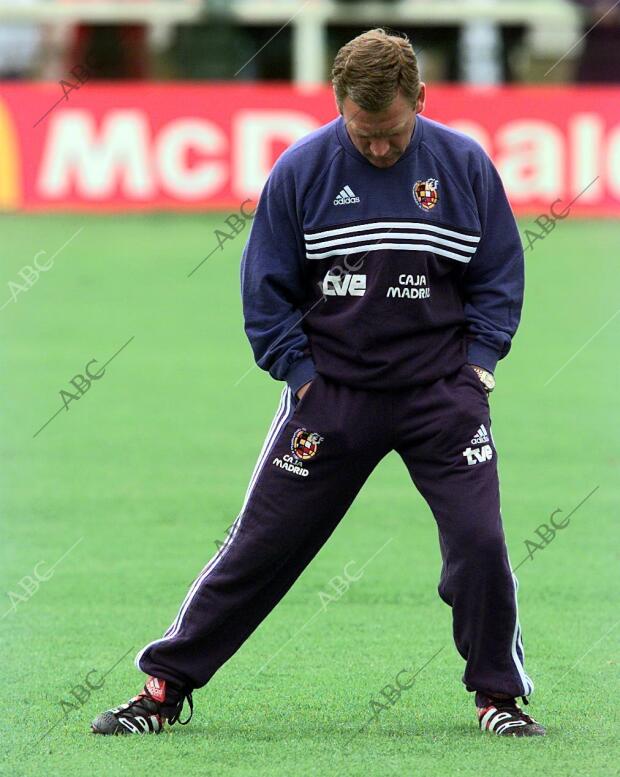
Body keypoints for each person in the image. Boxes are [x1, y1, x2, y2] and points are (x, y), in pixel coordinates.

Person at [91, 28, 545, 738]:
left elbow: (498, 275)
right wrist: (301, 377)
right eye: (363, 135)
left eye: (392, 134)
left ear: (420, 100)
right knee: (260, 544)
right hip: (330, 397)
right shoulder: (300, 171)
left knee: (481, 543)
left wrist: (480, 364)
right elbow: (264, 293)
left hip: (442, 399)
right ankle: (162, 687)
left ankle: (498, 698)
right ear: (339, 107)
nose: (379, 150)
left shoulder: (464, 166)